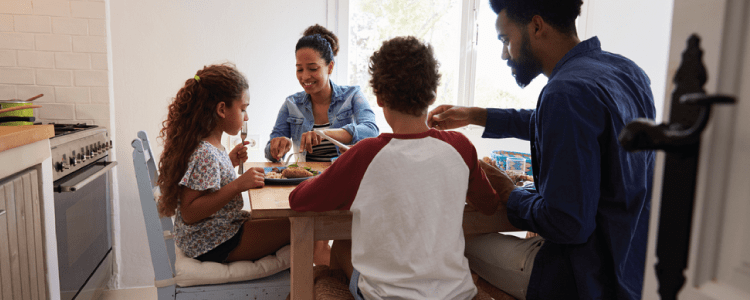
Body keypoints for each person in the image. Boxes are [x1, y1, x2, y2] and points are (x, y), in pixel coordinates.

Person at [427, 0, 656, 299]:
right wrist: (475, 115)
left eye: (505, 40)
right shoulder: (626, 72)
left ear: (536, 26)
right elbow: (556, 123)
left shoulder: (565, 92)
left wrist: (510, 193)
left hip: (582, 278)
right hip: (634, 270)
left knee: (452, 236)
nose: (504, 53)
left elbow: (567, 225)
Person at [290, 36, 500, 300]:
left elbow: (299, 200)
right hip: (456, 294)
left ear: (378, 97)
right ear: (432, 93)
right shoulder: (461, 146)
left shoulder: (365, 154)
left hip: (386, 296)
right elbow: (489, 206)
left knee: (343, 244)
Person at [156, 63, 291, 263]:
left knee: (289, 222)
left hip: (212, 234)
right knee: (298, 226)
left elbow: (206, 185)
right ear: (222, 109)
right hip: (211, 242)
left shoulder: (208, 144)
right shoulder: (205, 152)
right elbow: (190, 212)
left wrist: (229, 161)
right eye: (243, 109)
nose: (246, 117)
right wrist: (238, 185)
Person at [265, 24, 379, 163]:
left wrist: (324, 134)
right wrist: (276, 146)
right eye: (300, 69)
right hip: (308, 181)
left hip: (345, 177)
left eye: (313, 69)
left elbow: (371, 130)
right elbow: (270, 153)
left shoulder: (353, 95)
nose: (305, 76)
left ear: (330, 67)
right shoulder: (292, 104)